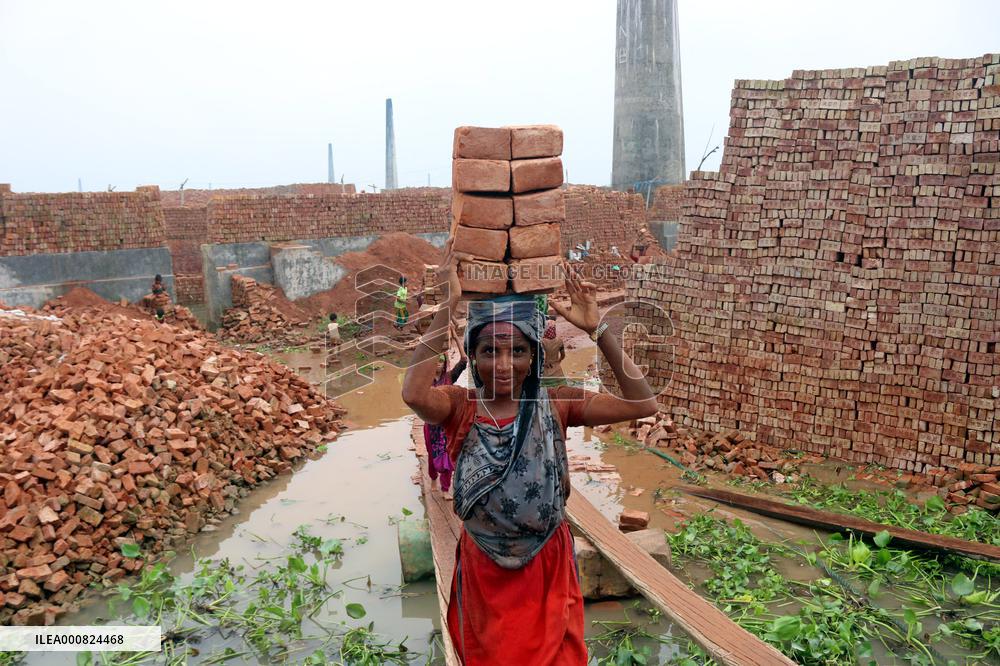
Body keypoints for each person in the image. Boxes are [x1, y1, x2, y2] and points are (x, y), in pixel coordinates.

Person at [402, 244, 658, 665]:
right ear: (473, 357)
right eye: (490, 351)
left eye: (517, 351)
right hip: (487, 574)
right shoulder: (460, 407)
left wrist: (598, 330)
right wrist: (447, 307)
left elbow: (643, 404)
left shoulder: (557, 403)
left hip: (546, 569)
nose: (504, 364)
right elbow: (413, 394)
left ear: (534, 356)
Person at [422, 338, 467, 495]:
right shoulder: (424, 381)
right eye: (435, 361)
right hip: (430, 425)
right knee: (431, 454)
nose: (438, 364)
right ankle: (433, 478)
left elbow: (464, 360)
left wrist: (455, 337)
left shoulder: (449, 377)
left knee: (447, 454)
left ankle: (445, 488)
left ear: (445, 362)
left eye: (441, 361)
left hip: (446, 425)